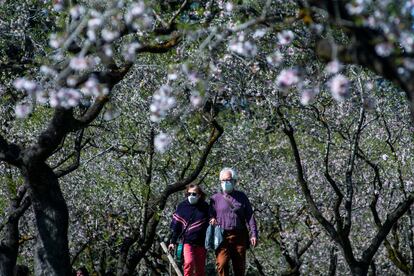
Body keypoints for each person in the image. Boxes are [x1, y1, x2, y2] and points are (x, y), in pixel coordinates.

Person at [209, 168, 258, 276]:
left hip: (239, 236)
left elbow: (249, 216)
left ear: (234, 181)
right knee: (221, 264)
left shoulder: (242, 197)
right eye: (223, 180)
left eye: (229, 180)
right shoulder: (215, 198)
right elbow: (210, 214)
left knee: (239, 268)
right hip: (222, 236)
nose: (226, 183)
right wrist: (211, 219)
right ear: (220, 181)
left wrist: (254, 234)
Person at [168, 183, 209, 276]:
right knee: (189, 263)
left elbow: (210, 221)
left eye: (194, 194)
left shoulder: (205, 207)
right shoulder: (182, 206)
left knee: (200, 268)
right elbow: (177, 227)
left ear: (199, 195)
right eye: (188, 194)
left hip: (201, 242)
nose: (191, 196)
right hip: (187, 241)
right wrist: (172, 242)